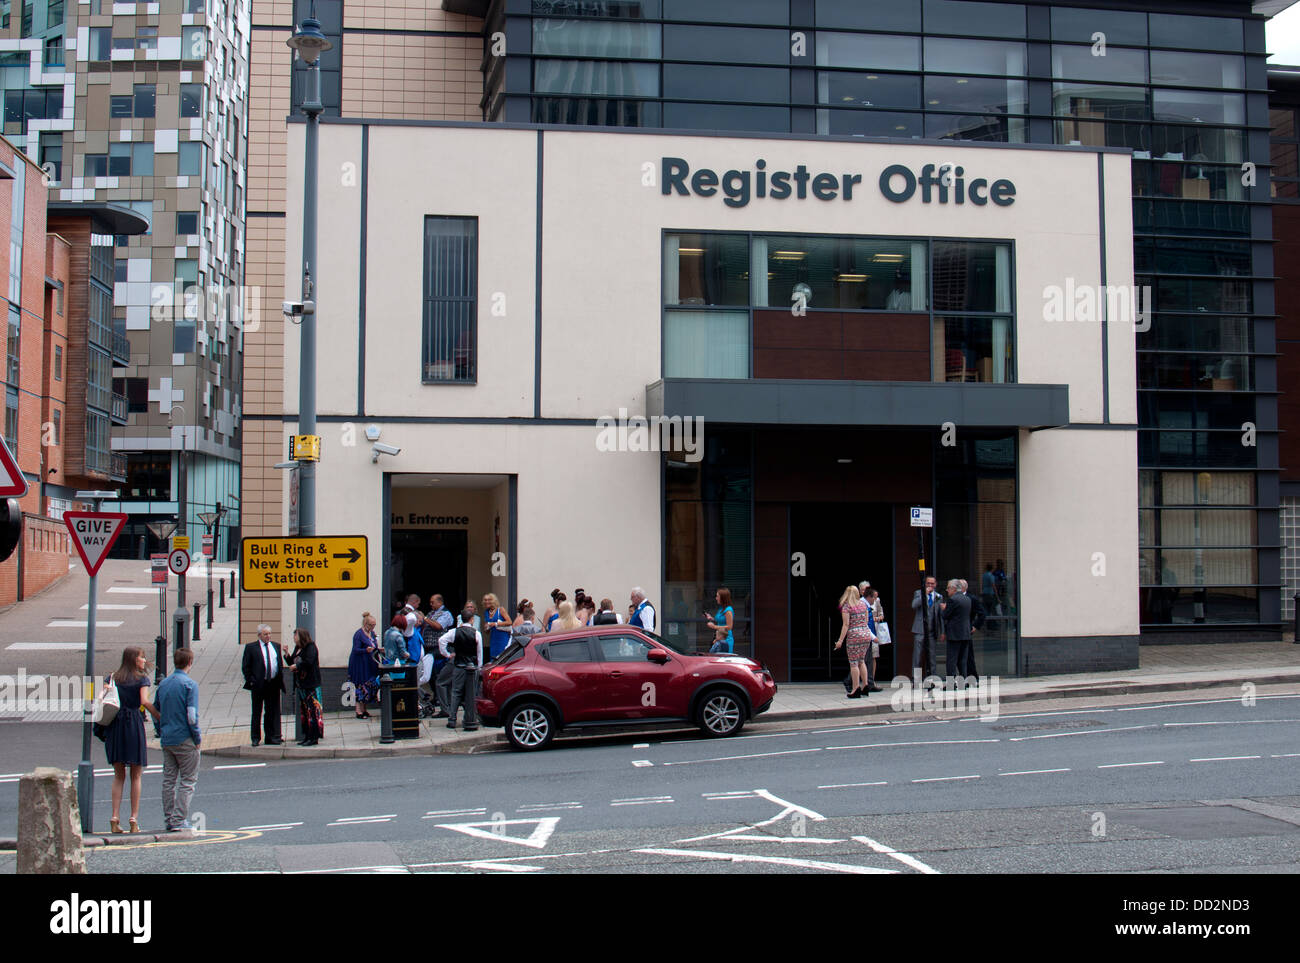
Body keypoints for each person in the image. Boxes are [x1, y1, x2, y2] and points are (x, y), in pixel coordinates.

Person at [104, 647, 159, 833]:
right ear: (134, 659)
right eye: (142, 657)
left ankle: (114, 816)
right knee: (136, 775)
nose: (144, 660)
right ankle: (133, 818)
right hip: (133, 724)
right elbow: (144, 701)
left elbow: (104, 697)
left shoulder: (112, 677)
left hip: (115, 725)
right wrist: (158, 715)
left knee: (118, 775)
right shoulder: (141, 679)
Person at [155, 647, 201, 832]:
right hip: (185, 737)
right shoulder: (190, 685)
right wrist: (197, 736)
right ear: (190, 662)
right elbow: (192, 716)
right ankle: (178, 819)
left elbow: (157, 712)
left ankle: (169, 818)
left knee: (168, 780)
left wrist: (160, 730)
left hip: (167, 738)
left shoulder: (164, 684)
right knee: (188, 780)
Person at [439, 606, 483, 731]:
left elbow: (441, 640)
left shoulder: (454, 632)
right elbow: (479, 653)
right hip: (472, 667)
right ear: (472, 620)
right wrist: (479, 667)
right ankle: (470, 718)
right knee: (471, 693)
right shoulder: (476, 634)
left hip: (459, 665)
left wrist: (447, 654)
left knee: (456, 692)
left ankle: (452, 719)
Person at [241, 624, 285, 747]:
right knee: (257, 712)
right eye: (265, 634)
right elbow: (246, 666)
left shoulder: (275, 646)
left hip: (273, 683)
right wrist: (251, 680)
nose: (268, 636)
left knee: (271, 711)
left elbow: (278, 663)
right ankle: (255, 737)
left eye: (269, 634)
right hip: (259, 684)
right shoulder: (251, 647)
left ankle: (271, 736)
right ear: (259, 635)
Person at [833, 585, 874, 699]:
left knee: (854, 663)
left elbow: (846, 624)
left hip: (854, 635)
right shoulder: (863, 605)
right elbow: (866, 620)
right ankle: (865, 685)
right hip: (865, 633)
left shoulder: (847, 607)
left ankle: (856, 688)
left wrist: (840, 641)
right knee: (862, 661)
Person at [288, 627, 323, 746]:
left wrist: (297, 667)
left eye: (295, 635)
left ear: (302, 636)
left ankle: (314, 737)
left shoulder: (311, 647)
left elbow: (308, 662)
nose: (294, 637)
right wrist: (287, 655)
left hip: (311, 683)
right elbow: (292, 661)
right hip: (301, 684)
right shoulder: (298, 648)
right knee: (305, 711)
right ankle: (307, 735)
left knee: (312, 710)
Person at [940, 579, 973, 686]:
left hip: (954, 634)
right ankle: (963, 681)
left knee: (951, 660)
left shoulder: (952, 600)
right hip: (965, 633)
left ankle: (950, 683)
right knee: (962, 660)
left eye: (948, 588)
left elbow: (946, 615)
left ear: (954, 589)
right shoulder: (967, 599)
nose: (947, 590)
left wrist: (944, 608)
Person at [348, 612, 381, 719]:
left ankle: (364, 709)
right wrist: (365, 650)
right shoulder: (358, 634)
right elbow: (356, 649)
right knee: (360, 684)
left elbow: (374, 645)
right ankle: (358, 711)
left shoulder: (372, 633)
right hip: (360, 663)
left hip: (370, 663)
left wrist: (378, 649)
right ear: (365, 624)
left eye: (374, 625)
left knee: (368, 685)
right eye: (371, 625)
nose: (373, 627)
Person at [911, 577, 942, 681]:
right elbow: (914, 605)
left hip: (932, 631)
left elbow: (939, 615)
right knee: (917, 656)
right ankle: (916, 679)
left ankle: (931, 679)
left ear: (936, 584)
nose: (930, 586)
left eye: (932, 584)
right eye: (928, 583)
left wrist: (942, 631)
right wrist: (925, 594)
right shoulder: (918, 593)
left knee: (932, 657)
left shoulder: (939, 596)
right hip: (919, 630)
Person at [864, 587, 887, 692]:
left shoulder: (876, 601)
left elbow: (881, 614)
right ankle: (862, 681)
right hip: (866, 634)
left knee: (872, 657)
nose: (875, 599)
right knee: (862, 659)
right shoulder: (862, 603)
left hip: (874, 631)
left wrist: (877, 618)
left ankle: (870, 681)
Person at [482, 593, 512, 660]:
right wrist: (486, 628)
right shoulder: (486, 612)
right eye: (485, 600)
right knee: (494, 659)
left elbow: (509, 622)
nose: (487, 602)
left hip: (503, 638)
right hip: (493, 639)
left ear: (493, 600)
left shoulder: (500, 610)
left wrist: (495, 624)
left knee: (502, 658)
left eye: (489, 600)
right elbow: (487, 631)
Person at [707, 587, 735, 653]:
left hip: (726, 638)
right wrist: (711, 618)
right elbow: (721, 621)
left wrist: (714, 627)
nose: (716, 598)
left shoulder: (728, 610)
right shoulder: (721, 608)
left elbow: (729, 626)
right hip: (720, 637)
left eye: (717, 596)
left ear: (723, 598)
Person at [401, 594, 425, 665]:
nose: (420, 623)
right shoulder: (407, 613)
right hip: (411, 656)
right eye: (419, 621)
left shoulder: (417, 630)